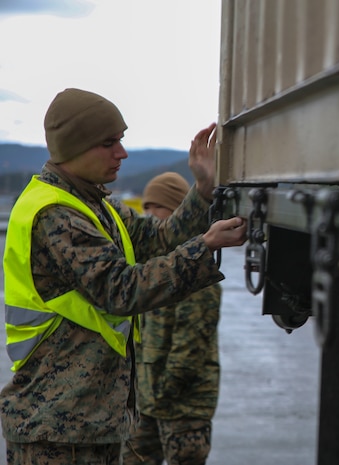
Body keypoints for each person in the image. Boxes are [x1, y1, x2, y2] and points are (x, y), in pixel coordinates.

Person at [1, 88, 247, 465]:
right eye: (109, 143)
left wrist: (202, 191)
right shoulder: (55, 215)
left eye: (121, 140)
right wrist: (204, 246)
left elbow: (159, 239)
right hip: (56, 429)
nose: (122, 153)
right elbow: (121, 290)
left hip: (91, 420)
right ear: (75, 147)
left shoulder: (95, 205)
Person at [121, 172, 222, 464]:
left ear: (180, 210)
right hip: (148, 401)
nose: (148, 216)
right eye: (146, 208)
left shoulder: (196, 269)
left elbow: (192, 339)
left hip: (184, 405)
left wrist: (166, 388)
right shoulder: (150, 269)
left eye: (157, 208)